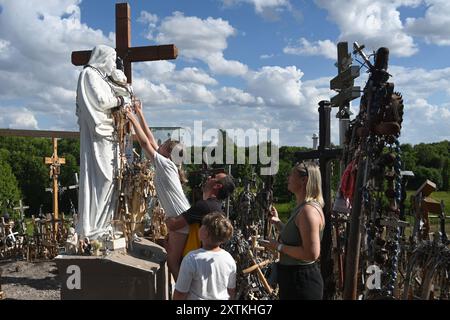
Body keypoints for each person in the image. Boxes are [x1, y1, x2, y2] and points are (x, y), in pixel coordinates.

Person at [125, 103, 189, 280]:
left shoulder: (166, 165)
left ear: (167, 152)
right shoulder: (169, 164)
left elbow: (146, 143)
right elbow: (151, 140)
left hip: (179, 218)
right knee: (175, 258)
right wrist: (140, 113)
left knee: (173, 261)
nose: (158, 145)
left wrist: (132, 118)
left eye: (163, 145)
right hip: (180, 215)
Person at [75, 44, 131, 239]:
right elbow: (100, 101)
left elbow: (124, 92)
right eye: (111, 59)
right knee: (103, 178)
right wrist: (120, 102)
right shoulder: (89, 74)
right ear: (103, 58)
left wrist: (120, 83)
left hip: (110, 133)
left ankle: (106, 223)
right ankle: (93, 227)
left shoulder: (102, 78)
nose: (113, 64)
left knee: (113, 178)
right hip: (98, 135)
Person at [260, 161, 325, 300]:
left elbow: (311, 253)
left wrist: (278, 247)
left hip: (301, 281)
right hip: (293, 279)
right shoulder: (302, 208)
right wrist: (278, 223)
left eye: (291, 175)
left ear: (304, 180)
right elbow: (297, 238)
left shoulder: (308, 211)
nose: (288, 178)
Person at [165, 172, 235, 257]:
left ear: (217, 186)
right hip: (203, 260)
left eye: (213, 177)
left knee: (171, 261)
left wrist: (165, 213)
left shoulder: (204, 206)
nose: (209, 177)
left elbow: (173, 224)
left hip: (193, 261)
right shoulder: (218, 209)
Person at [173, 212, 236, 300]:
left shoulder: (192, 259)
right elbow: (231, 291)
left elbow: (180, 293)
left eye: (202, 225)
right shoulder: (229, 259)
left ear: (205, 233)